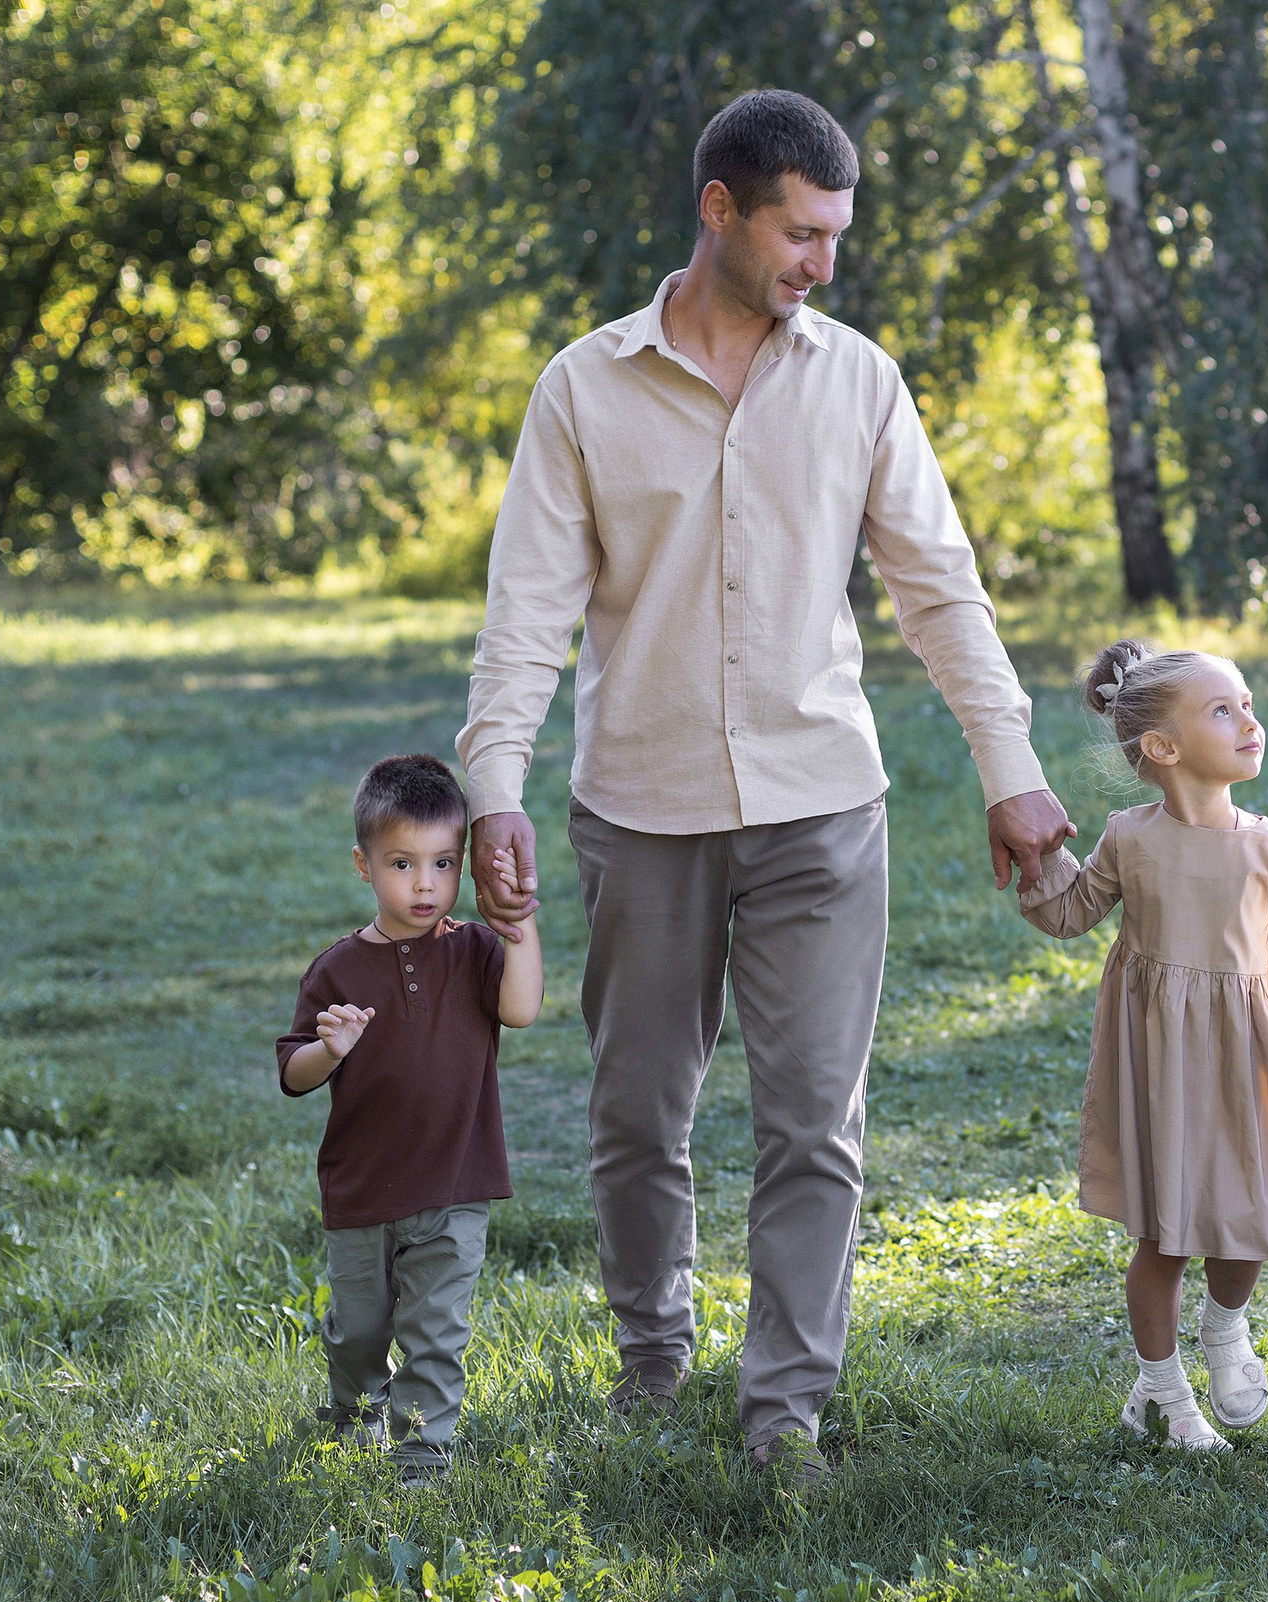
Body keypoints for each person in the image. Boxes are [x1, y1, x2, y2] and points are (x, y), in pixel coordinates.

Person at [454, 90, 1072, 1485]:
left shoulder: (859, 380)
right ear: (720, 210)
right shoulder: (584, 387)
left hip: (819, 809)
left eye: (838, 234)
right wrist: (496, 783)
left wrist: (1010, 764)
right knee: (634, 1115)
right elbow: (525, 611)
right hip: (642, 809)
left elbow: (941, 590)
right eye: (802, 230)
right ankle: (652, 1357)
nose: (824, 262)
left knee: (813, 1122)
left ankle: (783, 1405)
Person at [1017, 640, 1268, 1451]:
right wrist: (1038, 860)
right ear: (1164, 747)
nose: (1251, 720)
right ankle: (1164, 1390)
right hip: (1159, 1059)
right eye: (1226, 709)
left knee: (1243, 1215)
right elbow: (1072, 912)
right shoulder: (1128, 837)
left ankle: (1225, 1330)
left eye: (1248, 702)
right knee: (1166, 1231)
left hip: (1248, 1053)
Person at [276, 755, 545, 1484]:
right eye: (402, 863)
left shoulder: (472, 951)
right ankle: (356, 1406)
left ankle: (423, 1449)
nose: (425, 883)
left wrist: (517, 923)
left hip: (455, 1184)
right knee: (360, 1328)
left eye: (443, 863)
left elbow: (521, 1009)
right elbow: (292, 1072)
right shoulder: (335, 971)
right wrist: (328, 1050)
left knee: (436, 1330)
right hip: (362, 1190)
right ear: (363, 865)